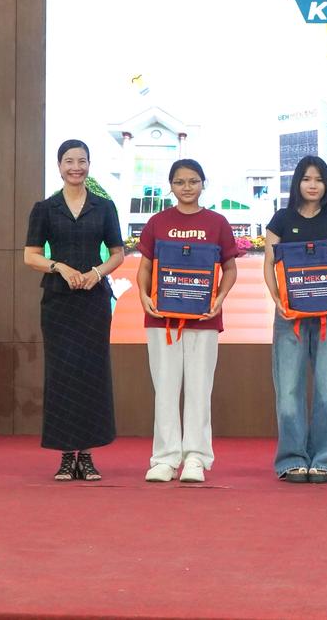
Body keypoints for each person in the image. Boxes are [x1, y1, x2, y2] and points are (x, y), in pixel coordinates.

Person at [23, 139, 126, 481]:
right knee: (63, 373)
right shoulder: (45, 208)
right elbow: (30, 255)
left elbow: (117, 253)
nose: (76, 167)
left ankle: (88, 455)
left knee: (92, 374)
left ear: (89, 165)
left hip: (94, 302)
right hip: (58, 301)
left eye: (82, 161)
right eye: (69, 161)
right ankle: (68, 455)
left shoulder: (104, 207)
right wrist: (60, 267)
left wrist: (97, 273)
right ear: (59, 166)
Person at [135, 159, 239, 483]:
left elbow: (230, 268)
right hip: (162, 320)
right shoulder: (157, 222)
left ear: (203, 183)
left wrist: (220, 298)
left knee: (199, 390)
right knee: (165, 390)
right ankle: (165, 459)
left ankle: (196, 458)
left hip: (203, 320)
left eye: (193, 181)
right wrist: (143, 295)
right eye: (180, 182)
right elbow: (145, 267)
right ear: (171, 186)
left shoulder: (217, 223)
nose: (187, 187)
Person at [263, 155, 327, 483]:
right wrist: (277, 300)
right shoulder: (281, 219)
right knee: (288, 391)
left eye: (318, 179)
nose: (312, 185)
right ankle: (292, 459)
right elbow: (269, 265)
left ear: (326, 184)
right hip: (290, 316)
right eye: (306, 179)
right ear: (297, 183)